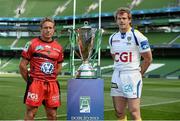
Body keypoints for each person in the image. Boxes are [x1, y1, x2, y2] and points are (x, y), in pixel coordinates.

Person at [109, 7, 152, 121]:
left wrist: (139, 74)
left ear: (129, 20)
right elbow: (114, 57)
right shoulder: (112, 37)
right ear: (116, 20)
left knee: (134, 111)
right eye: (119, 18)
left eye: (124, 18)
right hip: (117, 75)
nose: (121, 21)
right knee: (119, 111)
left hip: (132, 75)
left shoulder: (138, 36)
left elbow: (148, 59)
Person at [19, 17, 64, 120]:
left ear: (54, 30)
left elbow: (59, 65)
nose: (48, 30)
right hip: (36, 83)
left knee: (52, 115)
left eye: (50, 28)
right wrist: (30, 81)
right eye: (45, 27)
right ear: (41, 29)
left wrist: (52, 77)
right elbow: (22, 65)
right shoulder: (31, 44)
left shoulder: (58, 47)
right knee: (31, 113)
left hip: (52, 84)